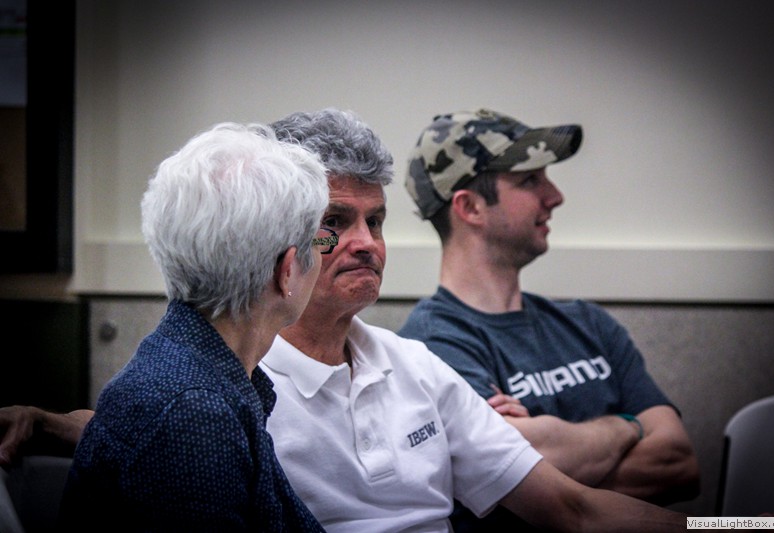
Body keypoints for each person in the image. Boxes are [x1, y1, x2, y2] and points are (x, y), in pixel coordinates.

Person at [1, 109, 689, 532]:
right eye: (335, 221)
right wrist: (52, 422)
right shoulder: (233, 377)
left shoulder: (412, 363)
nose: (366, 243)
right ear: (284, 242)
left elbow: (574, 510)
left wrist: (734, 523)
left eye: (377, 221)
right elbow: (170, 429)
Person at [399, 108, 700, 530]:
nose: (555, 196)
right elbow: (504, 475)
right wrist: (628, 427)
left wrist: (547, 467)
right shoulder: (430, 348)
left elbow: (680, 463)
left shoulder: (588, 322)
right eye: (529, 180)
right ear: (471, 207)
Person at [57, 122, 331, 531]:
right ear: (288, 271)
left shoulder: (186, 369)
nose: (325, 253)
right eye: (322, 241)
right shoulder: (194, 414)